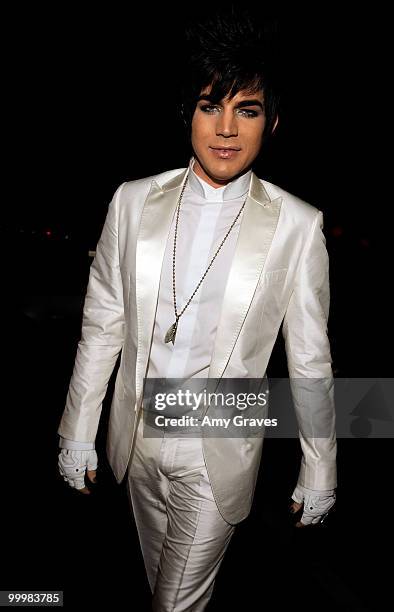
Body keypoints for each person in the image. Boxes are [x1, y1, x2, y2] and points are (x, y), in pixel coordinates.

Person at [57, 9, 337, 611]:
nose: (227, 129)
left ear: (273, 121)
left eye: (248, 109)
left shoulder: (297, 225)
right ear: (189, 113)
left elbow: (311, 360)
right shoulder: (132, 202)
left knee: (175, 603)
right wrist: (77, 432)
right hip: (134, 440)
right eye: (212, 106)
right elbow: (102, 325)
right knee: (159, 580)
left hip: (219, 454)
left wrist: (320, 470)